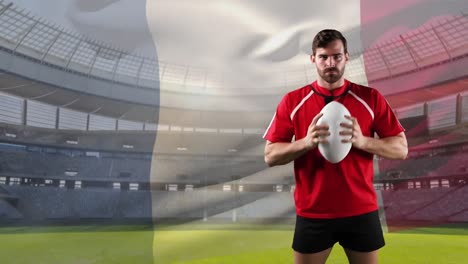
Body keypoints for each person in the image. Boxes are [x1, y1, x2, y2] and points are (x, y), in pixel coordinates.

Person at [263, 29, 408, 264]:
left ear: (347, 57)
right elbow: (270, 155)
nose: (330, 63)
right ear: (313, 59)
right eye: (323, 57)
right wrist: (306, 143)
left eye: (337, 56)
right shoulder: (293, 101)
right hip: (313, 212)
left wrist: (363, 141)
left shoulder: (370, 98)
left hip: (361, 210)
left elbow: (401, 148)